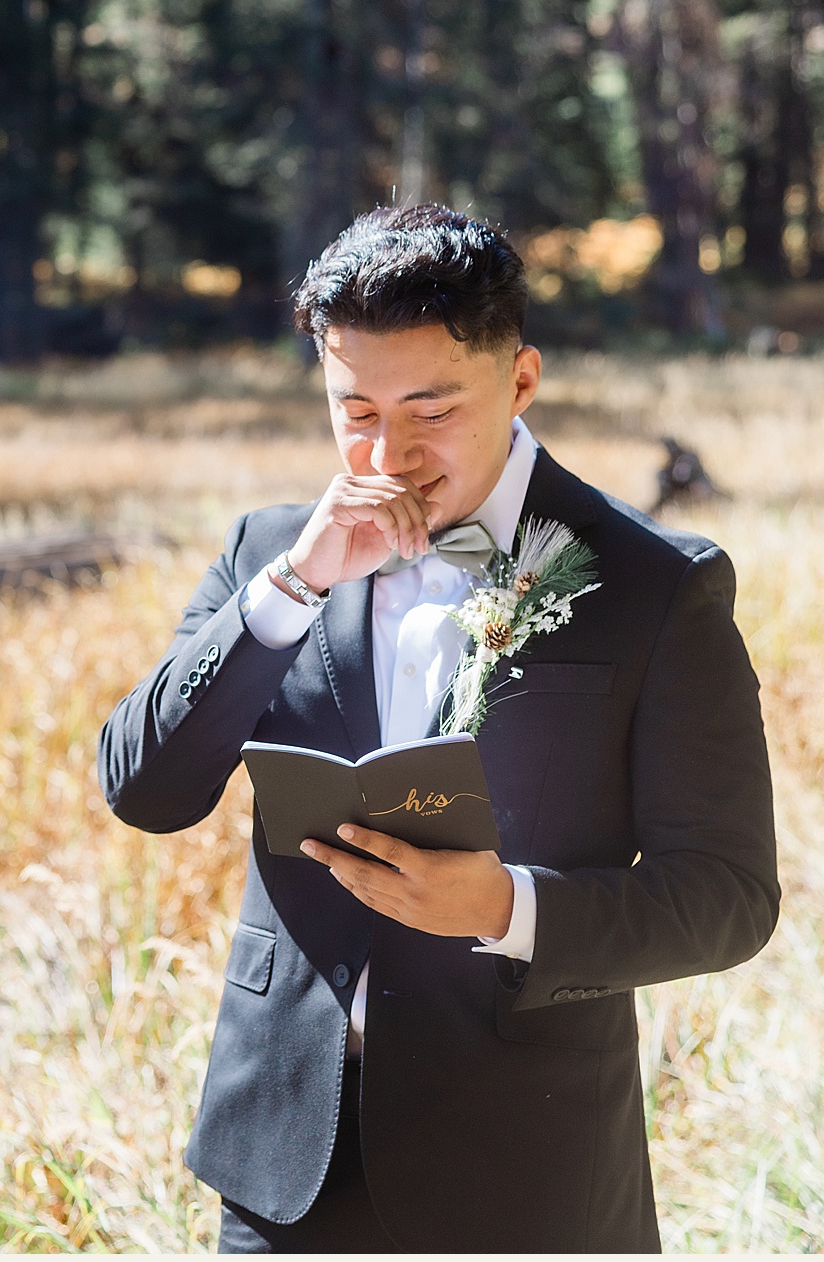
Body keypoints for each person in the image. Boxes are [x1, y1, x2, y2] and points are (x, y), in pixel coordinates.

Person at [98, 205, 779, 1252]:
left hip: (525, 1172)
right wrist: (291, 587)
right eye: (353, 408)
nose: (387, 454)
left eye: (429, 410)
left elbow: (726, 898)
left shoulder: (655, 583)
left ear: (520, 378)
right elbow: (144, 789)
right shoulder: (265, 553)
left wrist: (509, 905)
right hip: (285, 1169)